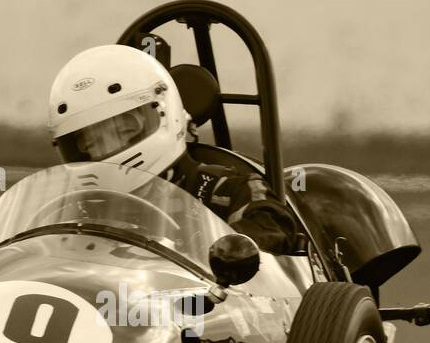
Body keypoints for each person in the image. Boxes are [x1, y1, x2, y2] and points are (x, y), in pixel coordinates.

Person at [46, 44, 302, 255]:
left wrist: (214, 250)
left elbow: (274, 231)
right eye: (88, 142)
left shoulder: (223, 190)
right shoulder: (76, 208)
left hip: (204, 309)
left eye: (121, 129)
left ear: (163, 113)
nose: (102, 149)